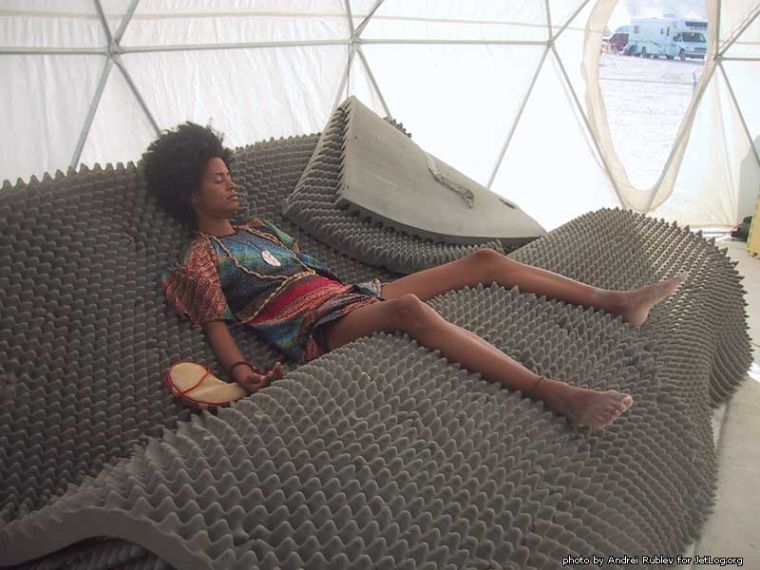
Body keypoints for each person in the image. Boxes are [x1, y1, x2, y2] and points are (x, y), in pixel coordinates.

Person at [144, 122, 687, 430]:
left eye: (229, 175)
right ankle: (553, 392)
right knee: (409, 311)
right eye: (218, 180)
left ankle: (615, 300)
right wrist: (241, 372)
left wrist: (360, 293)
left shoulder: (261, 230)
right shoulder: (201, 258)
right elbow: (216, 322)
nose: (232, 185)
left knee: (483, 260)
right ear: (190, 193)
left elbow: (313, 275)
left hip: (348, 296)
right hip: (318, 327)